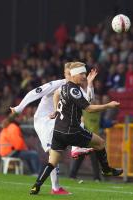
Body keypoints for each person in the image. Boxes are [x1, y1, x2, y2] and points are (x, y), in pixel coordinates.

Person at [30, 62, 123, 195]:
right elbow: (89, 108)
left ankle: (36, 186)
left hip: (58, 131)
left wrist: (56, 110)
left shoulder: (64, 87)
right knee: (100, 143)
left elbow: (57, 95)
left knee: (52, 162)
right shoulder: (74, 90)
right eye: (82, 74)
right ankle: (106, 169)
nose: (84, 76)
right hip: (72, 131)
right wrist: (109, 105)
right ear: (74, 75)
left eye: (85, 74)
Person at [10, 62, 97, 195]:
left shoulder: (75, 89)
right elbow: (35, 92)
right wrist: (19, 108)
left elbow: (88, 101)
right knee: (76, 122)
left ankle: (55, 188)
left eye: (74, 74)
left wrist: (90, 83)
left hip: (56, 120)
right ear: (65, 74)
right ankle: (75, 149)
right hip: (44, 120)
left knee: (54, 155)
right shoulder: (57, 84)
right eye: (69, 74)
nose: (71, 77)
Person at [69, 97, 102, 181]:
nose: (95, 104)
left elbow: (103, 123)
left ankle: (95, 178)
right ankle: (96, 178)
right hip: (86, 138)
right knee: (83, 158)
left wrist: (111, 123)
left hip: (93, 139)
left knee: (93, 159)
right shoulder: (85, 112)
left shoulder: (98, 114)